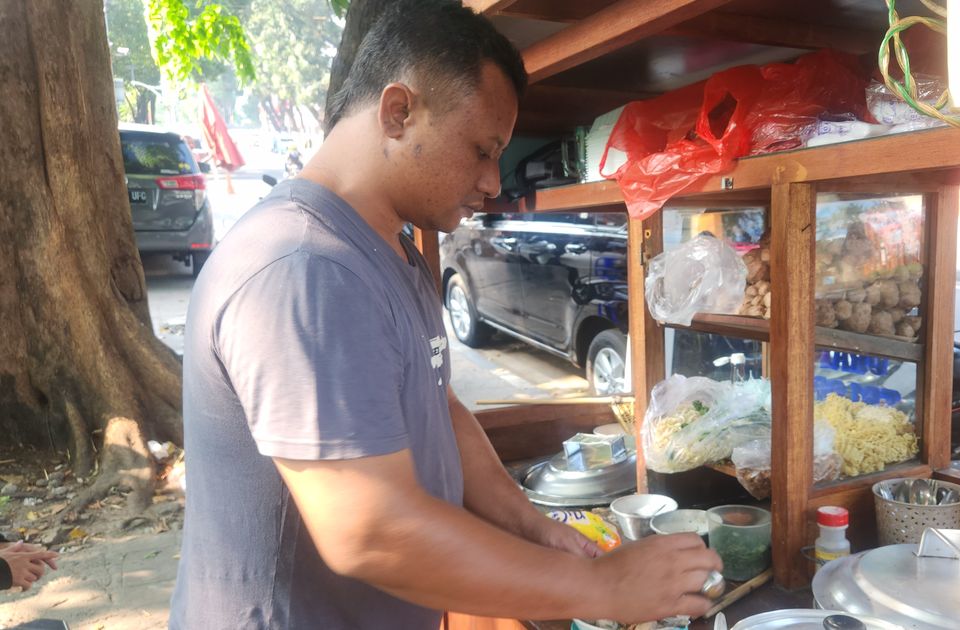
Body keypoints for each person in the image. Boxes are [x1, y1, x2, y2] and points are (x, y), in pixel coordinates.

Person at [168, 1, 720, 629]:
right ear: (398, 112)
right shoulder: (308, 268)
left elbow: (437, 404)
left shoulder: (389, 249)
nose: (492, 180)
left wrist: (533, 528)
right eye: (481, 150)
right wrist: (597, 587)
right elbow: (367, 528)